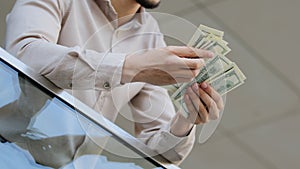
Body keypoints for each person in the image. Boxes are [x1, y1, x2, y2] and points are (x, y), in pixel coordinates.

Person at [4, 0, 224, 167]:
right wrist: (129, 67)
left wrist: (186, 118)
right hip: (8, 153)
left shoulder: (150, 36)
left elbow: (162, 153)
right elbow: (24, 54)